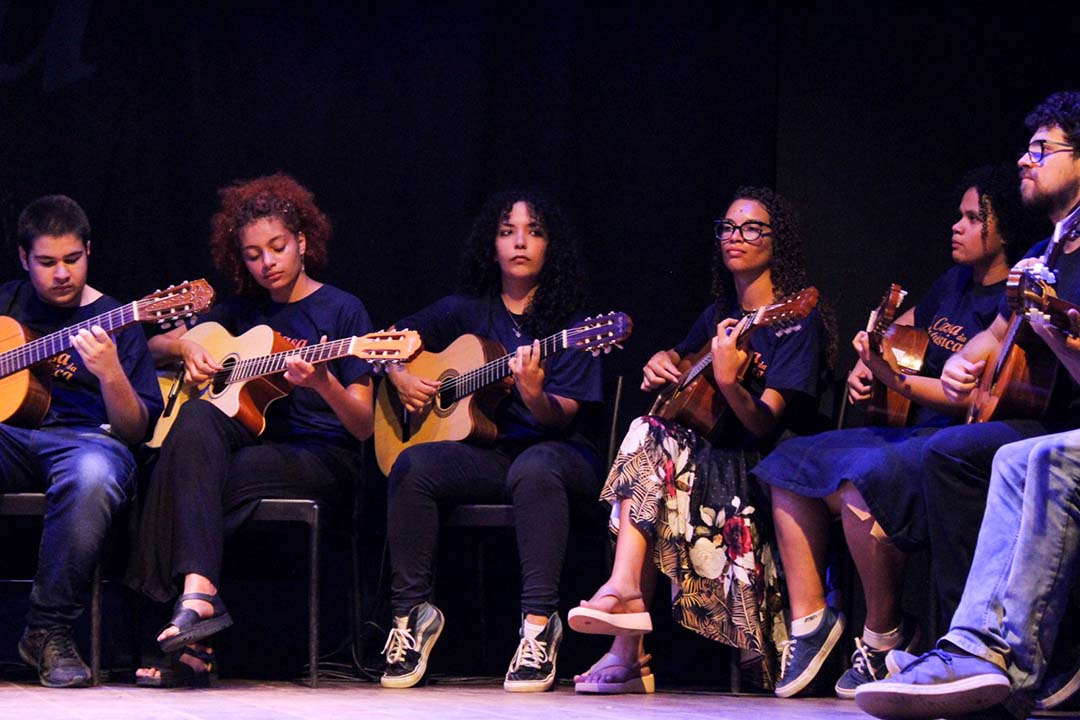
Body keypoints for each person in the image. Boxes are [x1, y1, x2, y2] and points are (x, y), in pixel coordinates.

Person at [749, 166, 1044, 699]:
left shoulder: (1011, 301)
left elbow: (964, 397)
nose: (957, 225)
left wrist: (894, 379)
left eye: (974, 218)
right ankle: (812, 622)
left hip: (953, 444)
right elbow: (900, 328)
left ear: (1006, 234)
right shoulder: (953, 283)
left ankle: (884, 635)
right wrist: (870, 356)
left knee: (862, 478)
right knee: (787, 465)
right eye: (959, 214)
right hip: (908, 435)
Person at [855, 90, 1080, 720]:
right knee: (958, 454)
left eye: (1042, 150)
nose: (1026, 160)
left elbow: (1062, 342)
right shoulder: (1048, 252)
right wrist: (964, 360)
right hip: (1038, 416)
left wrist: (1054, 332)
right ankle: (965, 646)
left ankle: (994, 650)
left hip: (1062, 418)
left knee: (960, 452)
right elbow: (997, 330)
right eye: (1027, 149)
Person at [568, 187, 832, 694]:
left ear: (780, 244)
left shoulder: (795, 319)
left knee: (646, 446)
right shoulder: (717, 316)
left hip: (759, 474)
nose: (736, 237)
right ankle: (625, 620)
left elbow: (764, 426)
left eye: (752, 228)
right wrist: (662, 363)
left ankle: (627, 643)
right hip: (702, 466)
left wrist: (731, 383)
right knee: (648, 448)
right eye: (728, 228)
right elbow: (684, 365)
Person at [125, 173, 376, 687]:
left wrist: (325, 383)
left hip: (321, 456)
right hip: (252, 447)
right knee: (192, 421)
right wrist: (185, 348)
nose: (267, 263)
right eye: (254, 254)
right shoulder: (240, 313)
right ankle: (197, 602)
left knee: (182, 475)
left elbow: (364, 425)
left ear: (303, 242)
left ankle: (186, 628)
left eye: (278, 247)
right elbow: (149, 347)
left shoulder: (343, 309)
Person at [379, 188, 603, 693]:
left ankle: (539, 628)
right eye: (507, 232)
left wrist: (534, 393)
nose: (520, 242)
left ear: (551, 246)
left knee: (536, 467)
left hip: (560, 456)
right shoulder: (464, 312)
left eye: (534, 231)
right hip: (493, 455)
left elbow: (558, 419)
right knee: (412, 466)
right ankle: (410, 617)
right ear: (492, 245)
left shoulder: (573, 326)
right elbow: (394, 338)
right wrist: (398, 373)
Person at [0, 195, 162, 687]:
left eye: (73, 259)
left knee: (95, 474)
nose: (62, 273)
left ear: (89, 251)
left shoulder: (118, 318)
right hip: (10, 436)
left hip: (86, 441)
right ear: (25, 259)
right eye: (47, 262)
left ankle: (47, 631)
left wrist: (111, 372)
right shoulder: (6, 304)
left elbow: (137, 430)